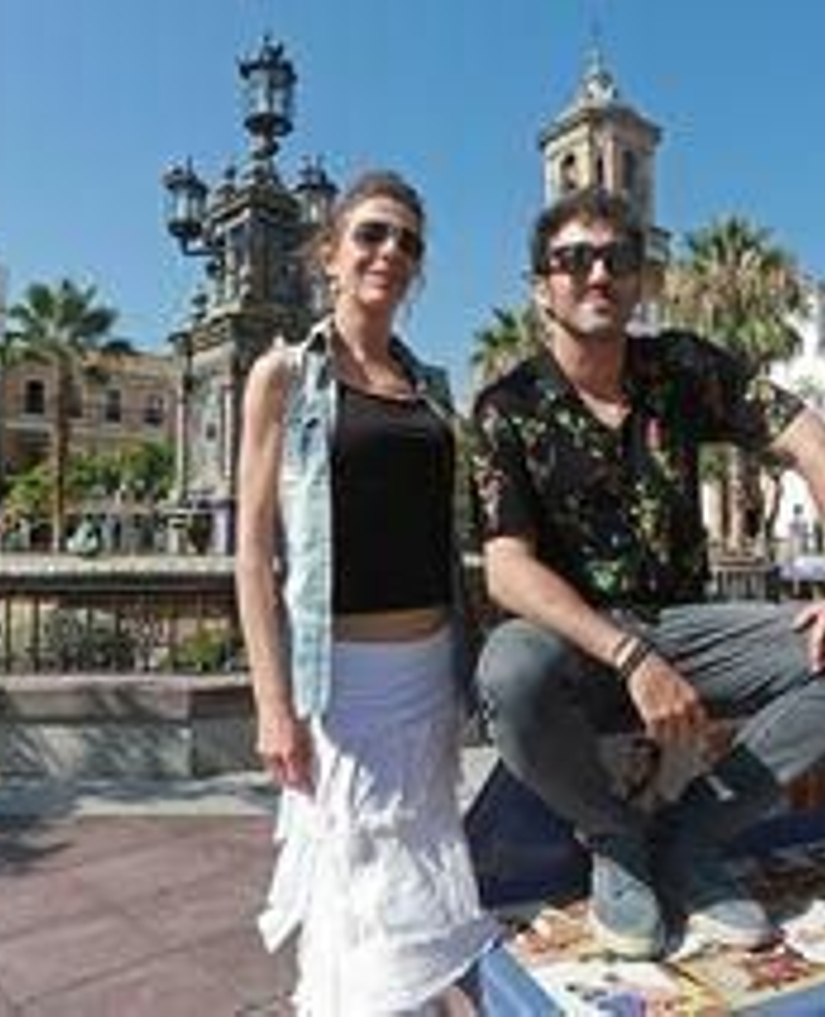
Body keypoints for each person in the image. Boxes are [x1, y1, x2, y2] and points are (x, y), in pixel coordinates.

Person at [470, 188, 825, 960]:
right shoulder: (510, 408)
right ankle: (615, 835)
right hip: (579, 643)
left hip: (686, 627)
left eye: (618, 259)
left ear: (639, 280)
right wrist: (631, 657)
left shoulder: (684, 366)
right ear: (542, 286)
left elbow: (821, 445)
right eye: (574, 260)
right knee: (507, 670)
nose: (598, 274)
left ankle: (692, 835)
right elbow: (506, 568)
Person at [237, 170, 493, 1013]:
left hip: (429, 671)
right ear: (330, 255)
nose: (392, 252)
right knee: (355, 898)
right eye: (373, 234)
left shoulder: (432, 388)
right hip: (341, 682)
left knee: (417, 891)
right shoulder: (283, 376)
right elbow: (251, 552)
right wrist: (273, 702)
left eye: (409, 242)